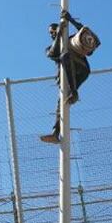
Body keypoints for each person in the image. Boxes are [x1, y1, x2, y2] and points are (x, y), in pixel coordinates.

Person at [39, 9, 94, 144]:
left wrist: (71, 20)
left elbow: (85, 33)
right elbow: (53, 53)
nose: (52, 33)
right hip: (67, 80)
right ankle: (55, 133)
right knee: (61, 103)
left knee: (65, 56)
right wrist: (59, 34)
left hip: (81, 70)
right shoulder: (50, 48)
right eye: (50, 33)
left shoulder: (71, 40)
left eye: (54, 30)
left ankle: (74, 93)